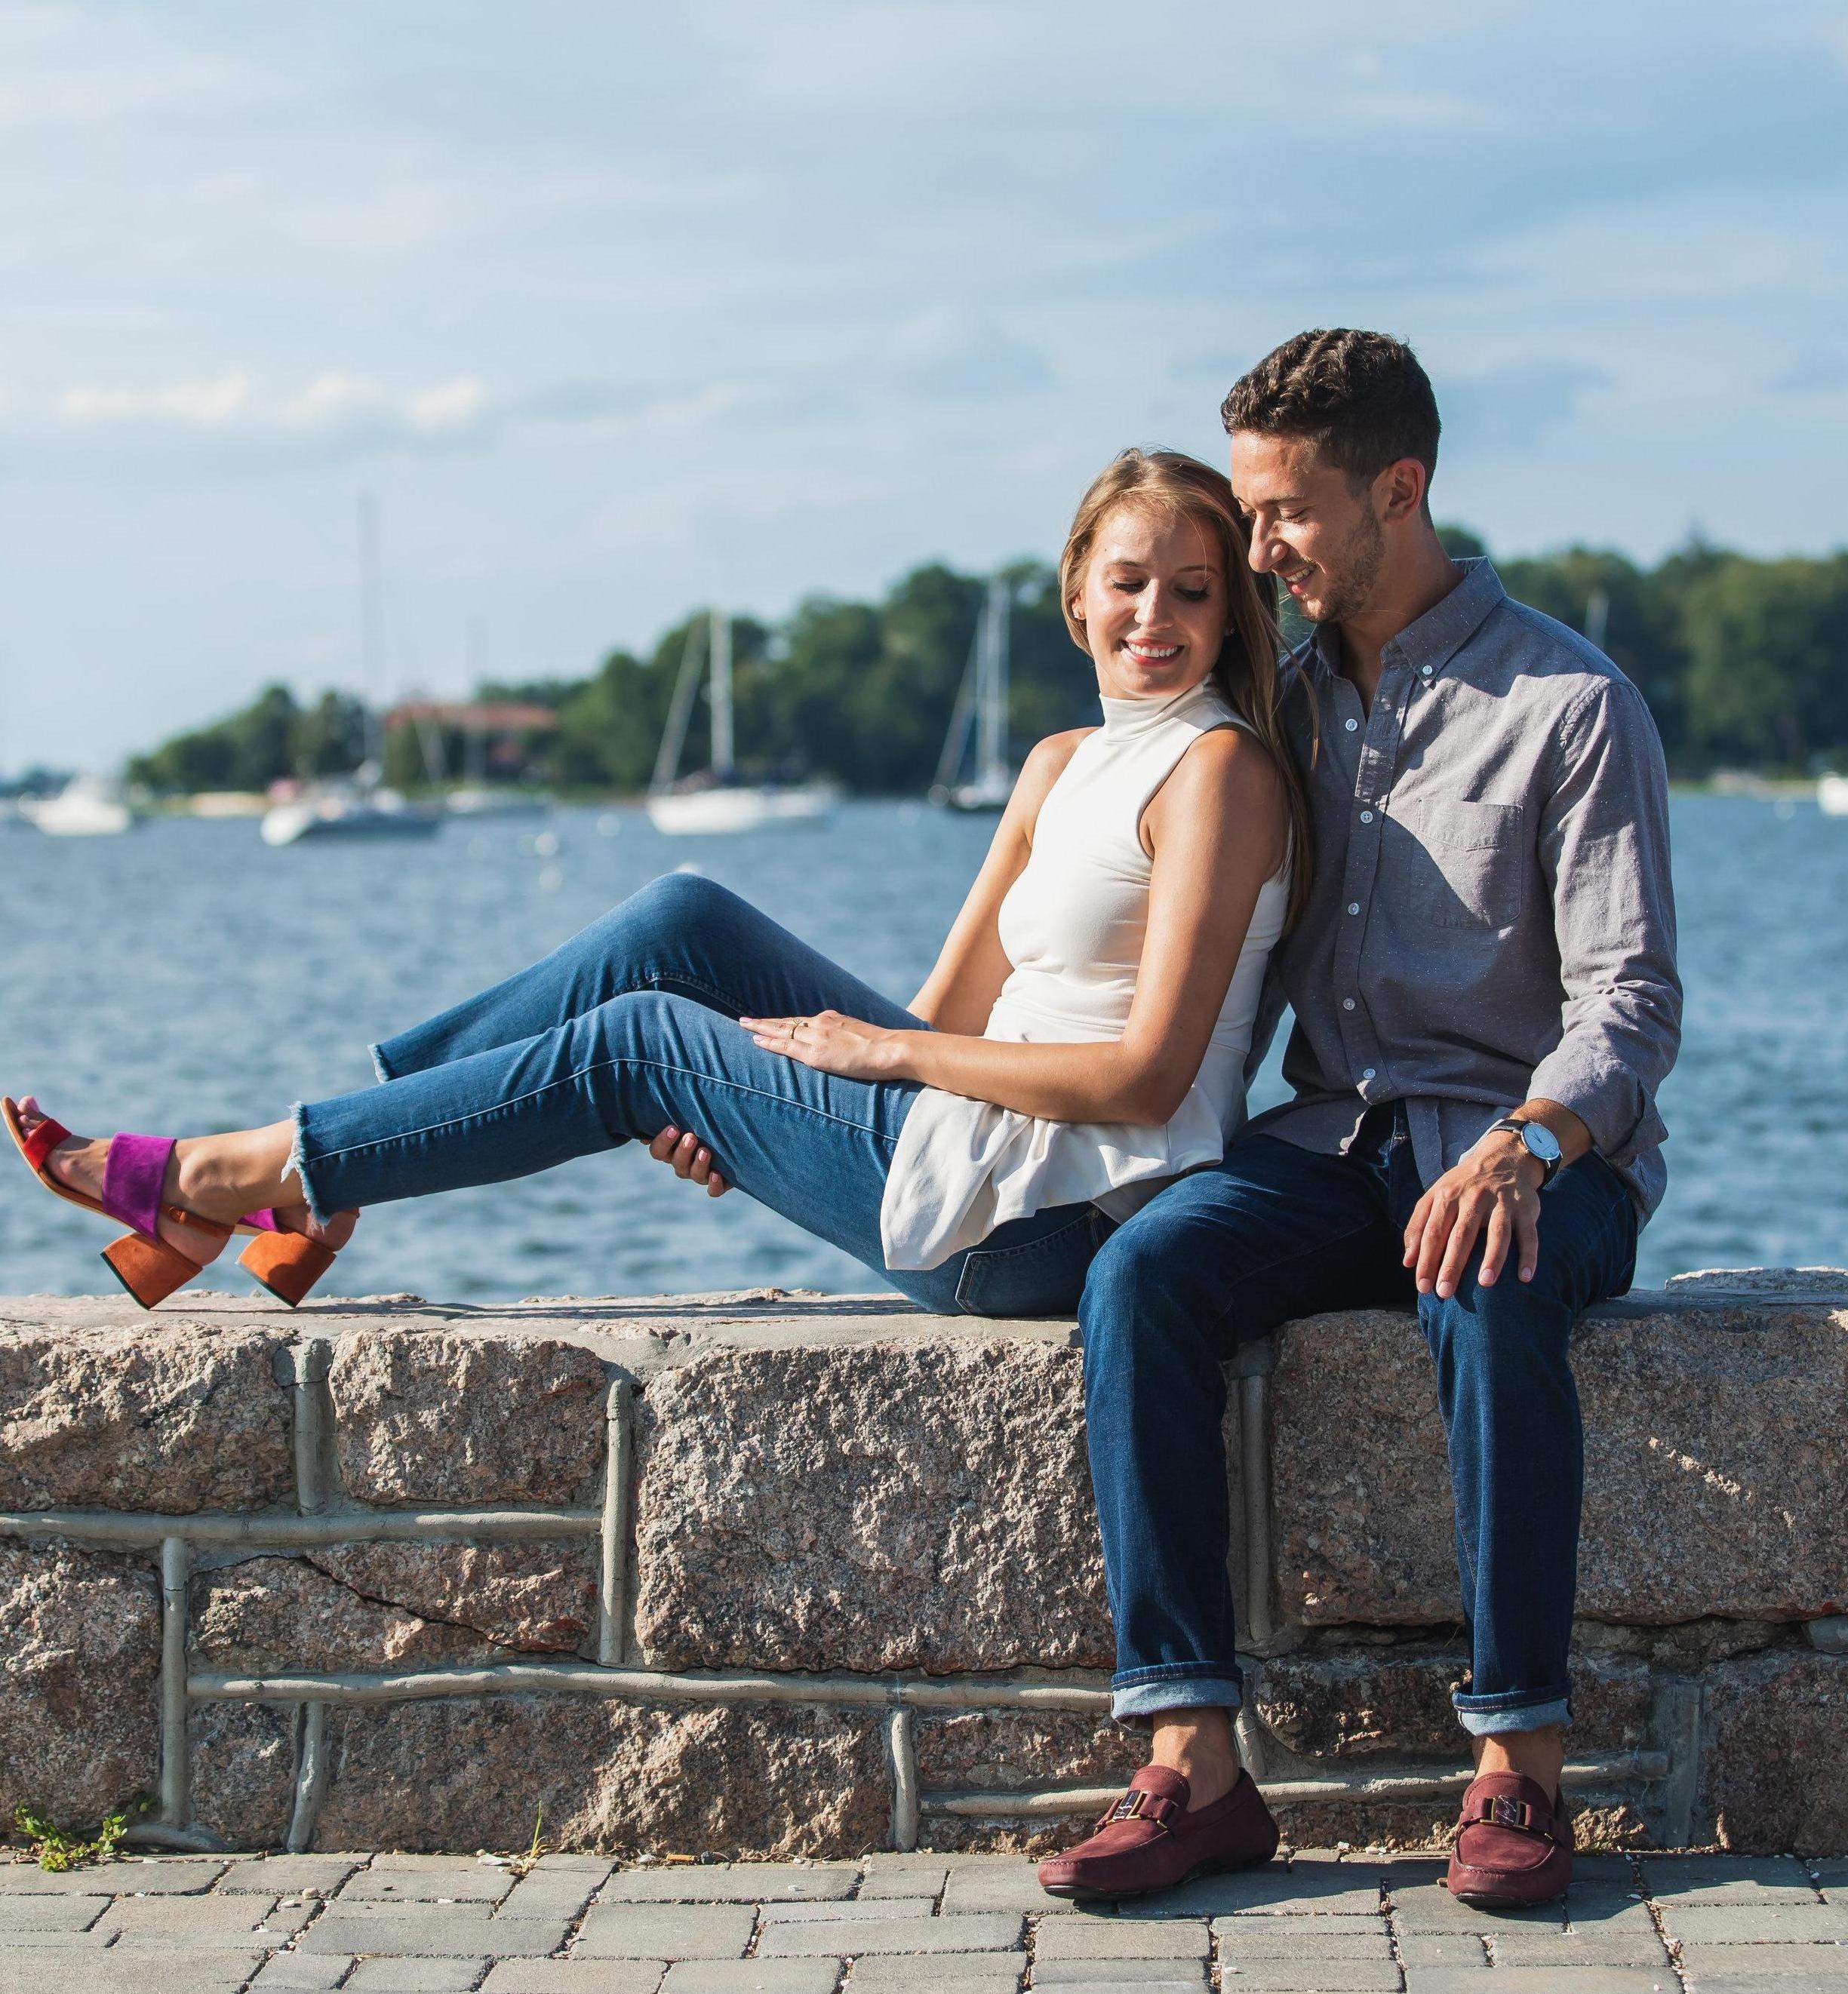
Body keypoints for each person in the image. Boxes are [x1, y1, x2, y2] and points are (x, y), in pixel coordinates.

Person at [7, 452, 1304, 1399]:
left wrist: (866, 1067)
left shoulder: (1220, 774)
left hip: (1049, 1224)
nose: (1157, 619)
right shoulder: (1060, 762)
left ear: (1230, 613)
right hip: (974, 1152)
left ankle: (225, 1179)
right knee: (680, 916)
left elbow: (1148, 1080)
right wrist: (775, 1118)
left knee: (642, 1044)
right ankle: (330, 1176)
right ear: (1075, 590)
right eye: (1129, 582)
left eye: (1194, 592)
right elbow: (944, 1021)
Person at [1031, 330, 1681, 1906]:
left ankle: (1515, 1764)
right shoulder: (1282, 707)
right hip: (1329, 1143)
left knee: (1483, 1270)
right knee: (1144, 1276)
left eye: (1279, 516)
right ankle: (1192, 1759)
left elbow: (1629, 1003)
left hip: (1536, 1148)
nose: (1251, 553)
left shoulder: (1568, 704)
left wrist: (1524, 1143)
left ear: (1397, 489)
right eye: (1246, 518)